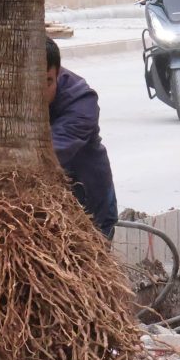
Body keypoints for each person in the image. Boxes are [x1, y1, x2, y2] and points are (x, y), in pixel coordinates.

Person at [46, 37, 118, 238]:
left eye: (47, 81)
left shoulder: (81, 102)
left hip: (89, 206)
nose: (39, 91)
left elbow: (49, 153)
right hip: (49, 210)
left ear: (58, 73)